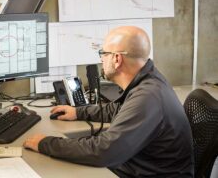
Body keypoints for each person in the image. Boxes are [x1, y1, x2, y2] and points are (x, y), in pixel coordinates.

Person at [23, 26, 194, 177]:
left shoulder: (148, 97)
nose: (101, 60)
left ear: (117, 59)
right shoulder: (149, 80)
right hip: (139, 167)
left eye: (103, 54)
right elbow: (119, 109)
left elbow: (103, 151)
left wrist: (45, 144)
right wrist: (78, 112)